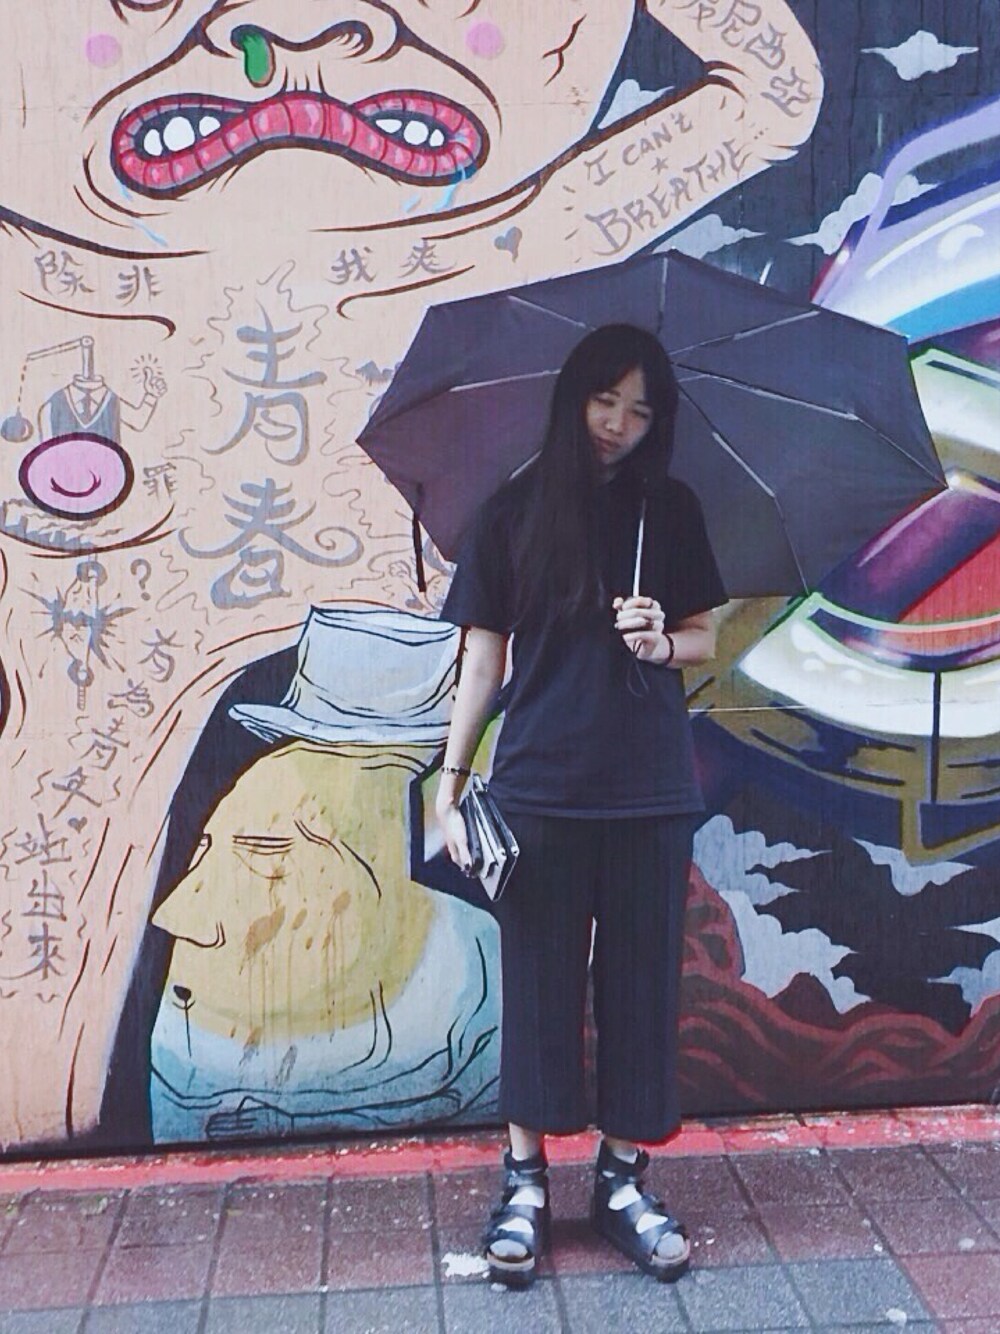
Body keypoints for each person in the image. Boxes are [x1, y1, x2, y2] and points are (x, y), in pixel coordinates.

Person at [435, 323, 727, 1286]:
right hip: (540, 789)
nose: (619, 424)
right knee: (539, 984)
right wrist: (450, 783)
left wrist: (661, 641)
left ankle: (622, 1181)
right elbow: (483, 661)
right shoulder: (513, 512)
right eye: (606, 401)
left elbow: (707, 640)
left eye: (640, 411)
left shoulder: (669, 511)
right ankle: (524, 1181)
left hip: (649, 790)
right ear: (574, 397)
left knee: (641, 987)